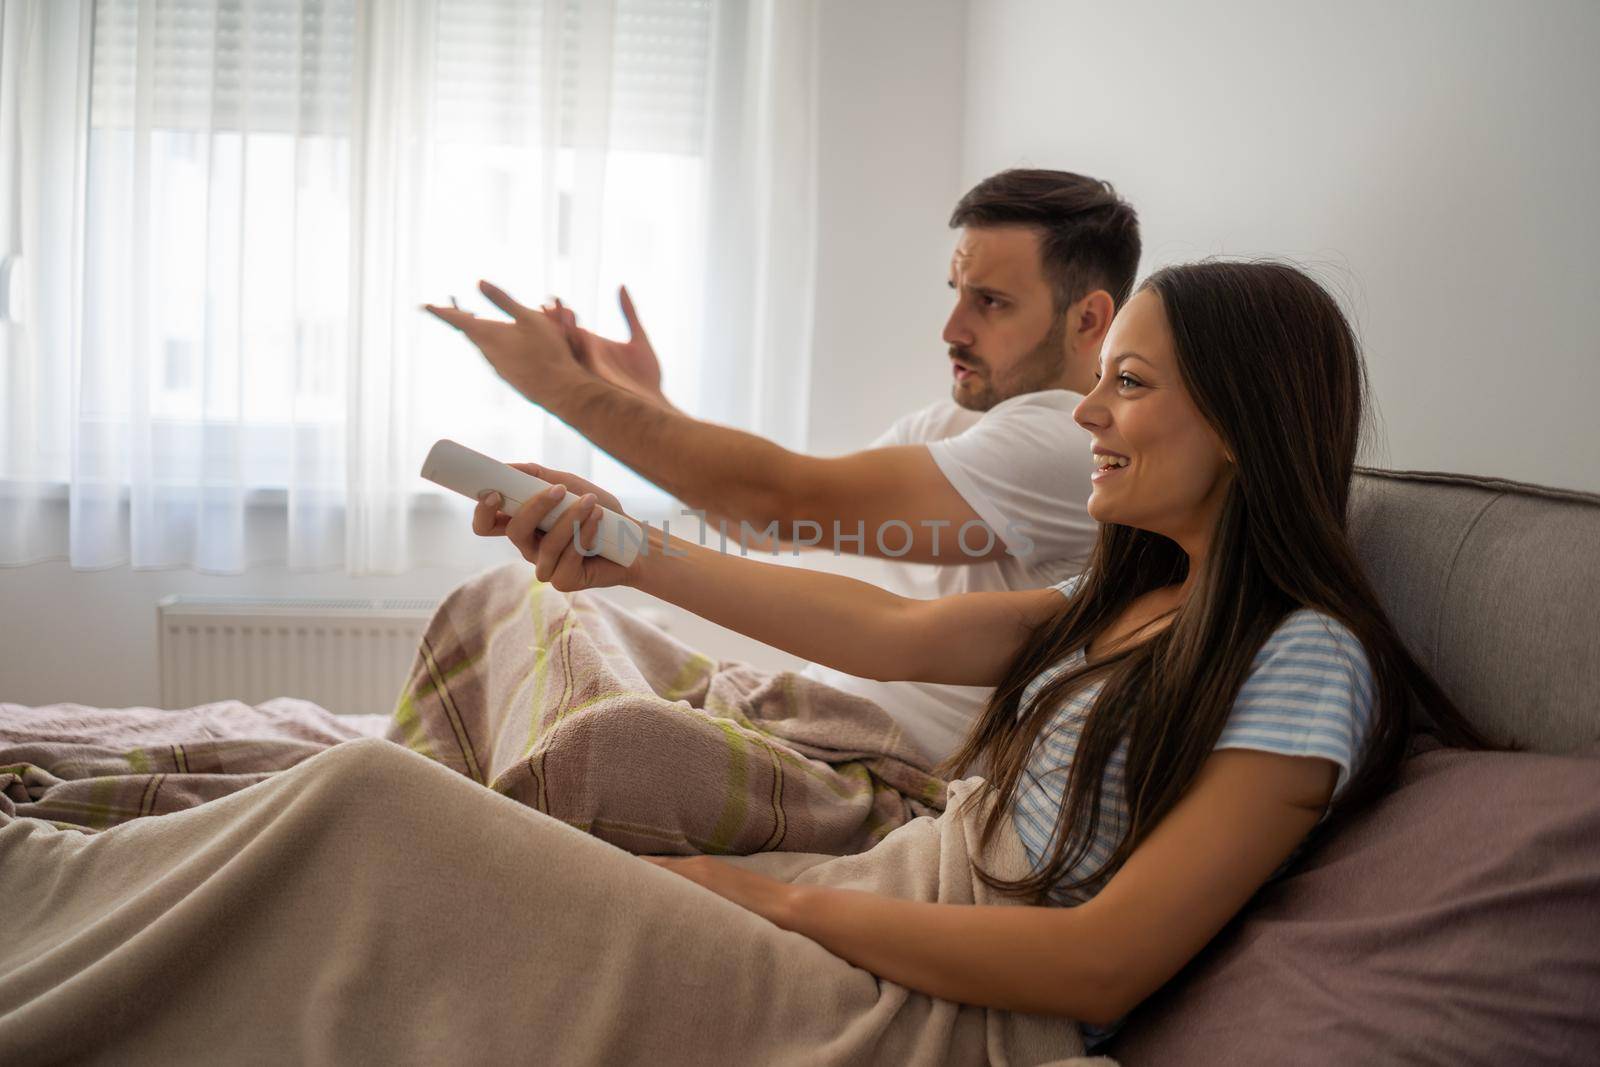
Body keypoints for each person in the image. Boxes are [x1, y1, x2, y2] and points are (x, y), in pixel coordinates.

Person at [457, 260, 1504, 1050]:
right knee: (449, 839)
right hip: (886, 898)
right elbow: (885, 631)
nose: (1088, 411)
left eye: (1127, 384)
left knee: (388, 816)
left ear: (1237, 423)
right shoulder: (1137, 593)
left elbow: (1100, 964)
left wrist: (773, 899)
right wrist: (625, 549)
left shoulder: (1308, 657)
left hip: (945, 1005)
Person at [424, 168, 1141, 768]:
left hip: (876, 760)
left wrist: (558, 385)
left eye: (989, 302)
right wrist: (638, 395)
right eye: (955, 292)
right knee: (508, 609)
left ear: (1087, 321)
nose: (952, 328)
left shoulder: (1067, 442)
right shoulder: (959, 424)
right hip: (812, 717)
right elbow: (774, 524)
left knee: (533, 669)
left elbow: (778, 503)